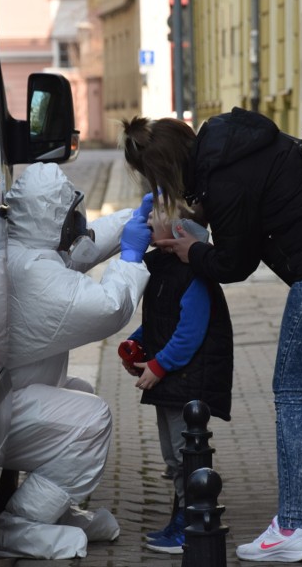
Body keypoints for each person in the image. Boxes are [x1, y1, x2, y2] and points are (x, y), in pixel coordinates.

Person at [120, 112, 302, 562]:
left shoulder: (222, 178)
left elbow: (233, 263)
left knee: (295, 396)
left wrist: (193, 251)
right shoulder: (233, 145)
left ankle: (288, 528)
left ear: (164, 167)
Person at [0, 163, 153, 559]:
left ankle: (54, 509)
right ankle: (21, 524)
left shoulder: (26, 252)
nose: (79, 220)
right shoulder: (36, 277)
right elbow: (108, 306)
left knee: (79, 393)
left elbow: (83, 248)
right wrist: (129, 257)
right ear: (56, 218)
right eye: (73, 212)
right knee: (90, 420)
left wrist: (135, 217)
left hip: (2, 400)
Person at [117, 206, 233, 555]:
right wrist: (138, 342)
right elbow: (161, 318)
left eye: (156, 214)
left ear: (180, 228)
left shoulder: (192, 274)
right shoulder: (163, 267)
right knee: (174, 457)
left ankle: (192, 525)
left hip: (186, 379)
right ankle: (182, 517)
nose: (148, 220)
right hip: (173, 379)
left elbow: (189, 332)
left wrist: (159, 365)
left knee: (186, 454)